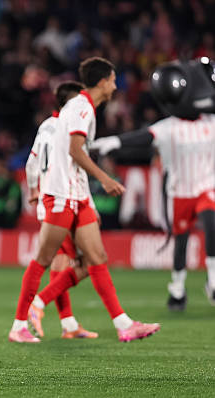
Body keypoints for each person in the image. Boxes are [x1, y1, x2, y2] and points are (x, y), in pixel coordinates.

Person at [8, 57, 161, 343]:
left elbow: (61, 157)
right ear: (102, 82)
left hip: (76, 195)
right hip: (61, 196)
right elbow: (76, 151)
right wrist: (105, 179)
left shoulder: (78, 108)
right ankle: (19, 325)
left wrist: (87, 199)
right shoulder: (82, 107)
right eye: (112, 80)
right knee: (44, 259)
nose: (115, 86)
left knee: (96, 258)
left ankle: (123, 325)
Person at [91, 58, 215, 311]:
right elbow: (143, 137)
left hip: (207, 185)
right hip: (179, 190)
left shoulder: (210, 122)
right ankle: (177, 288)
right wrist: (115, 142)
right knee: (181, 241)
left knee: (212, 224)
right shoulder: (170, 127)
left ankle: (213, 279)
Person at [22, 80, 98, 340]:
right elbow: (74, 168)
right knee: (88, 261)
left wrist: (33, 189)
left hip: (48, 199)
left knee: (60, 262)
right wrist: (89, 204)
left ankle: (68, 324)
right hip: (64, 200)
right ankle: (38, 304)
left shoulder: (46, 125)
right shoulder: (70, 128)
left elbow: (31, 163)